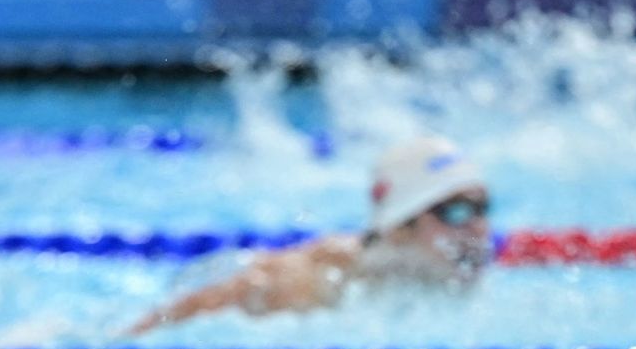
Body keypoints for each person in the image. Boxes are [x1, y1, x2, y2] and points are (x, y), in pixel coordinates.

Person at [126, 136, 491, 334]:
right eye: (455, 211)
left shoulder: (434, 275)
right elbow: (186, 315)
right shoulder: (317, 280)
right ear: (399, 227)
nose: (477, 227)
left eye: (482, 208)